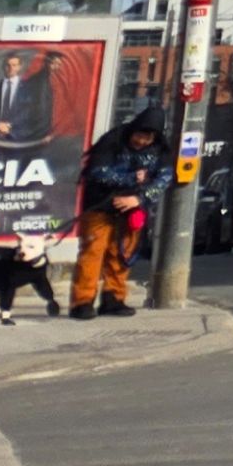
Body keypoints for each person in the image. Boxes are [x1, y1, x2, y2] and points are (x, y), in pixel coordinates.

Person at [71, 110, 163, 316]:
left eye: (147, 139)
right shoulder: (112, 140)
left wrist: (139, 199)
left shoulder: (159, 150)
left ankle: (113, 300)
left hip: (132, 210)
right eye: (139, 136)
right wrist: (131, 179)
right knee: (92, 253)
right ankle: (82, 303)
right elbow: (97, 171)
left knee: (122, 255)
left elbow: (163, 179)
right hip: (100, 207)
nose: (141, 142)